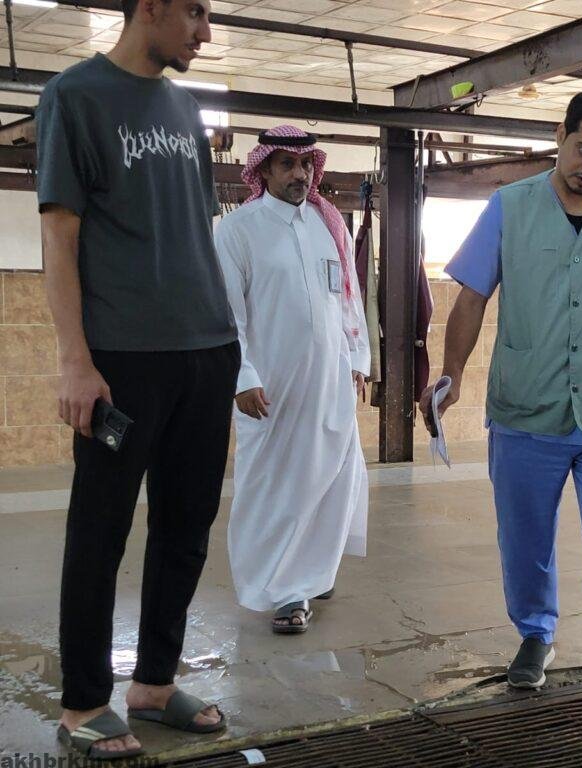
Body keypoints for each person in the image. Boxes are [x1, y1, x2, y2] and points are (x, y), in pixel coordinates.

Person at [419, 88, 582, 737]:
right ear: (560, 136)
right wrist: (452, 374)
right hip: (525, 411)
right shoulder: (510, 206)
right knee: (526, 543)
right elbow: (471, 298)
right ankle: (536, 631)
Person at [36, 0, 239, 759]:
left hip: (207, 348)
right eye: (195, 12)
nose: (205, 32)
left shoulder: (186, 110)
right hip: (123, 358)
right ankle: (84, 703)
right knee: (101, 530)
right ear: (148, 6)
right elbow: (59, 236)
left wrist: (228, 346)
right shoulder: (74, 97)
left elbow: (192, 232)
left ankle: (154, 684)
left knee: (186, 527)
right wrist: (75, 359)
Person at [215, 126, 370, 634]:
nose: (299, 175)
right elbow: (227, 314)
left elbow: (347, 297)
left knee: (330, 481)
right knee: (276, 490)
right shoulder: (238, 230)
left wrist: (358, 358)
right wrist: (241, 375)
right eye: (286, 164)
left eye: (305, 165)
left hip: (329, 380)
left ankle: (310, 574)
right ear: (263, 170)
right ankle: (285, 591)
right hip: (271, 388)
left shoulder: (328, 224)